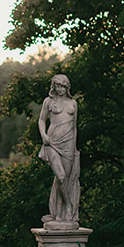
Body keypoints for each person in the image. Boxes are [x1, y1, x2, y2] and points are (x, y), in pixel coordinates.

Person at [37, 73, 80, 227]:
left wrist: (74, 148)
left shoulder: (73, 103)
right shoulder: (48, 101)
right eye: (57, 85)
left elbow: (74, 127)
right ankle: (68, 206)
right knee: (60, 176)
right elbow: (41, 119)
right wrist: (43, 135)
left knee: (66, 180)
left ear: (67, 87)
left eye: (62, 86)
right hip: (52, 142)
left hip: (68, 145)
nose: (60, 89)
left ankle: (59, 215)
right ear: (53, 87)